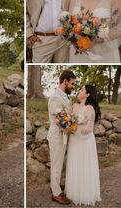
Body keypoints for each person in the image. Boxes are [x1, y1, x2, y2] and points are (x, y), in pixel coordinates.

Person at [65, 85, 101, 205]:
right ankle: (73, 191)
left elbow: (89, 128)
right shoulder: (74, 106)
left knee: (84, 165)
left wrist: (76, 127)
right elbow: (69, 120)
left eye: (82, 90)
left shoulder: (89, 108)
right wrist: (67, 125)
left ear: (87, 94)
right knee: (74, 163)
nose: (79, 91)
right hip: (75, 140)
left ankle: (85, 193)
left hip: (85, 141)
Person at [47, 70, 76, 205]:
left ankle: (56, 186)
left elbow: (66, 116)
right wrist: (67, 127)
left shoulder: (63, 95)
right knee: (56, 165)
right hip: (57, 136)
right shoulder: (55, 97)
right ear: (65, 81)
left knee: (59, 164)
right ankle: (56, 193)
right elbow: (57, 118)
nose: (73, 86)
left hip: (63, 135)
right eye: (72, 83)